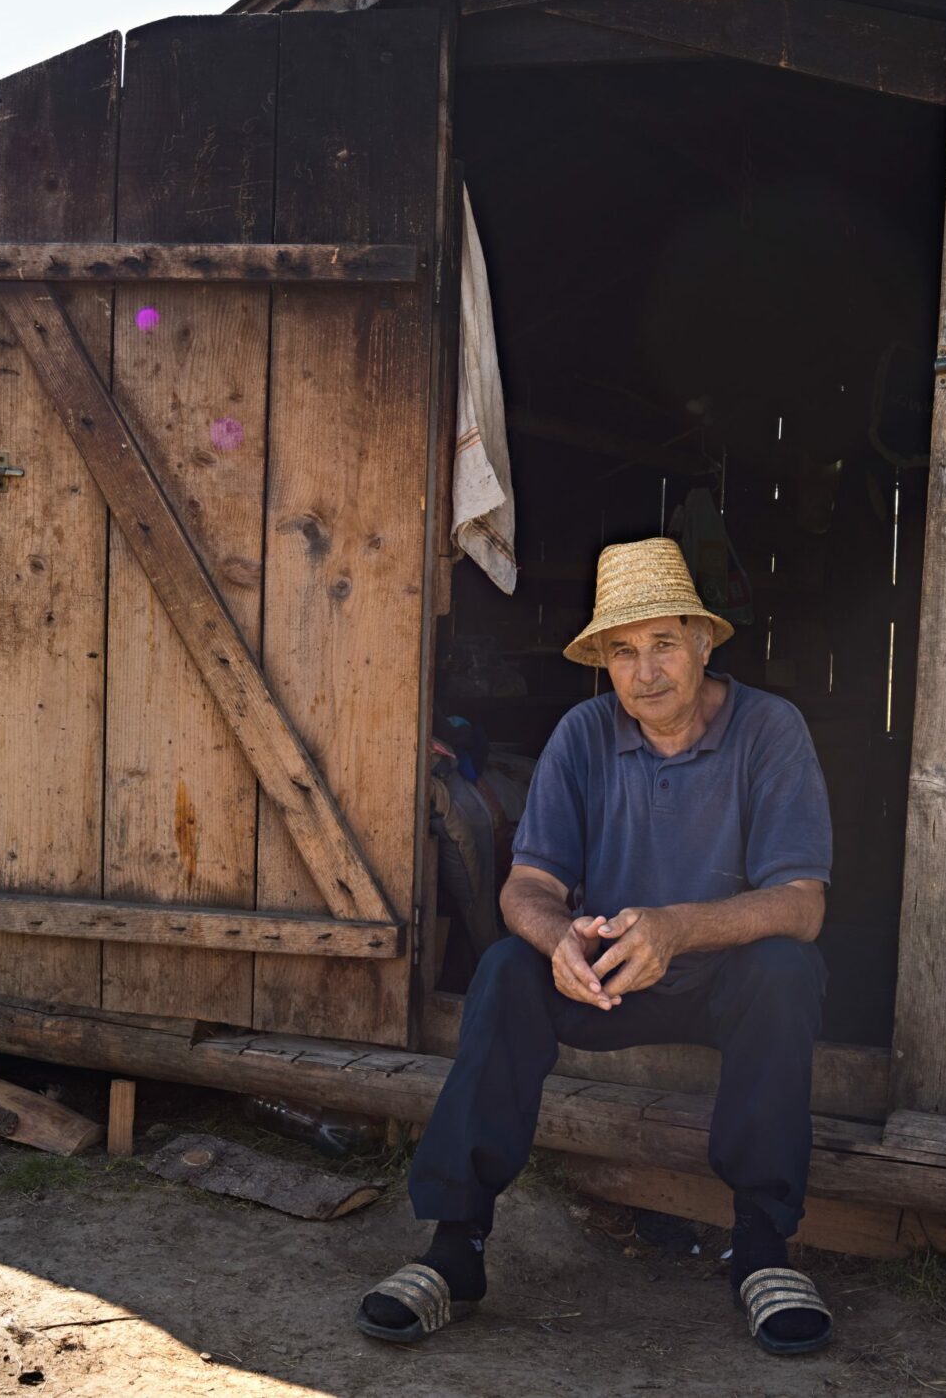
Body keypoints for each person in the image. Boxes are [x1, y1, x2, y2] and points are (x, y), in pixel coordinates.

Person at [356, 536, 835, 1355]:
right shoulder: (582, 733)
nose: (645, 672)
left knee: (786, 968)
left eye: (662, 645)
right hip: (608, 980)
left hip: (725, 985)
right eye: (623, 652)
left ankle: (761, 1246)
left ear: (703, 641)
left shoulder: (769, 729)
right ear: (602, 664)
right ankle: (455, 1246)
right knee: (509, 965)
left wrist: (678, 927)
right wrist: (559, 943)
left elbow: (802, 903)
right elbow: (526, 888)